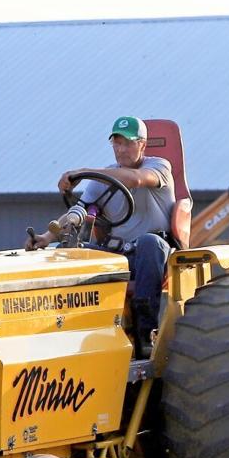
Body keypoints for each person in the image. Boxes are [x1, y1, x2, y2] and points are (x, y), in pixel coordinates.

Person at [35, 116, 174, 354]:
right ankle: (63, 330)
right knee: (66, 254)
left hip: (152, 257)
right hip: (118, 254)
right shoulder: (105, 177)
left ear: (142, 144)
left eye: (127, 143)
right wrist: (47, 238)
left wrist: (84, 171)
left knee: (151, 242)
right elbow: (78, 210)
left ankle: (146, 332)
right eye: (116, 144)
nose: (121, 150)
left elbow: (137, 179)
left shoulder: (159, 166)